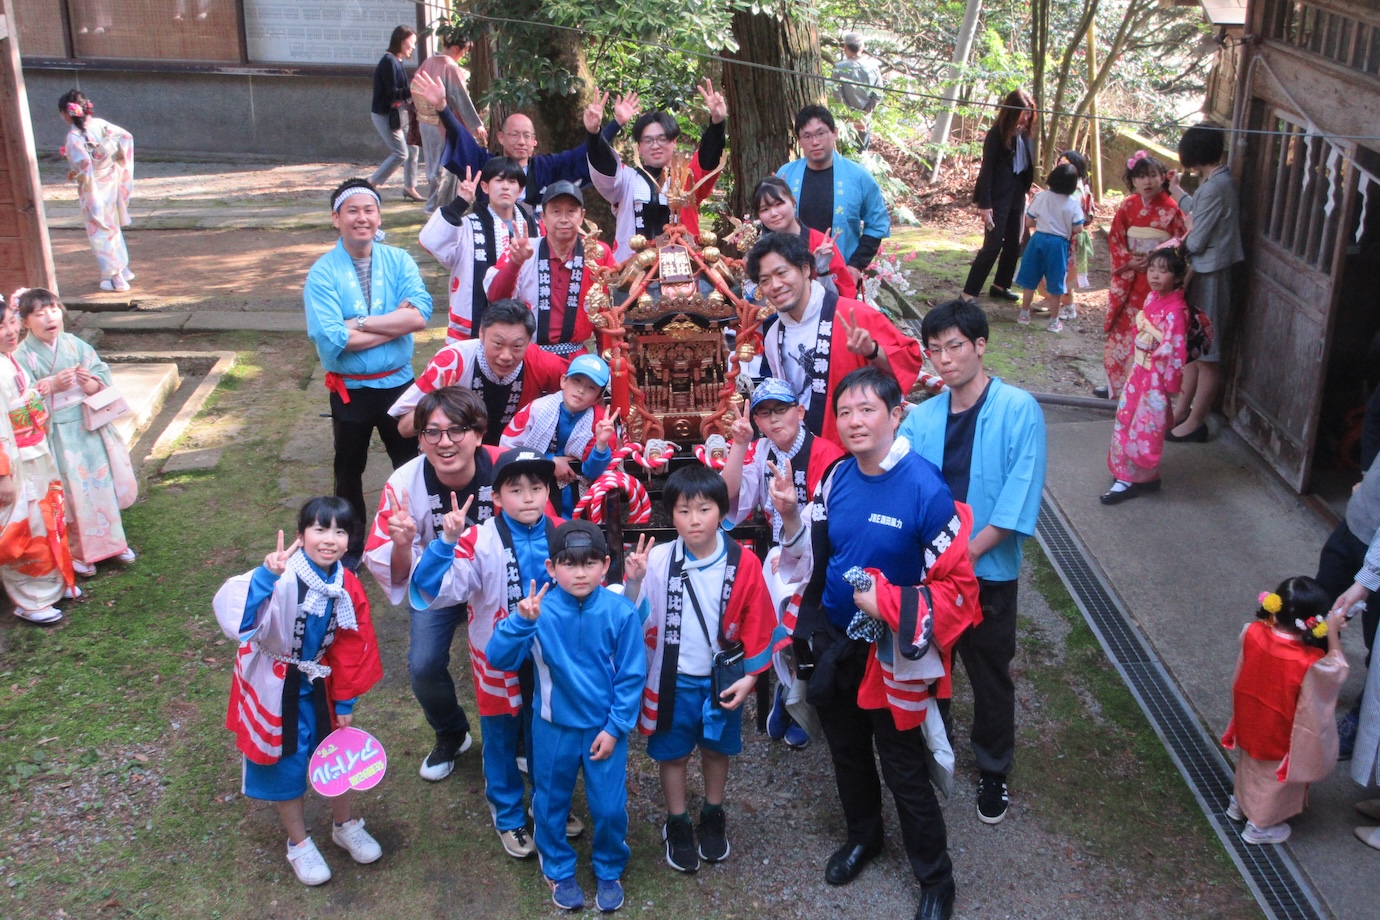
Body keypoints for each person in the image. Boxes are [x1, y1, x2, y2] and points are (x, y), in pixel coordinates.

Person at [775, 367, 980, 920]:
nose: (854, 421)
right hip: (839, 643)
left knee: (904, 766)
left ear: (896, 415)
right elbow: (817, 561)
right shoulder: (835, 476)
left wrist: (887, 603)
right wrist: (810, 626)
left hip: (893, 654)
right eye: (844, 412)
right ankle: (865, 837)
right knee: (845, 753)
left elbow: (961, 592)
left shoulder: (926, 489)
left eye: (868, 410)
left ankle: (936, 879)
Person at [898, 299, 1046, 826]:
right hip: (934, 574)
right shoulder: (926, 416)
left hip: (984, 573)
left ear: (980, 346)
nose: (944, 360)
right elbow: (901, 481)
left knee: (989, 672)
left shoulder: (1018, 408)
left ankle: (993, 769)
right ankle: (939, 745)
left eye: (955, 347)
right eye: (934, 350)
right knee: (931, 666)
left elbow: (1017, 496)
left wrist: (966, 552)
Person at [212, 497, 385, 886]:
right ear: (300, 535)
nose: (330, 539)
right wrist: (264, 577)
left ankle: (345, 824)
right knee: (283, 759)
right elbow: (237, 619)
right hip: (277, 682)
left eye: (340, 531)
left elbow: (351, 643)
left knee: (335, 751)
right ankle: (299, 843)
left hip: (320, 681)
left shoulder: (346, 583)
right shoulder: (283, 575)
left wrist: (345, 699)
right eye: (320, 529)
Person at [621, 466, 777, 873]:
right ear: (669, 515)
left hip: (722, 679)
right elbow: (631, 620)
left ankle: (713, 811)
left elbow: (759, 621)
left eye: (704, 509)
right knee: (672, 755)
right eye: (683, 510)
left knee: (715, 749)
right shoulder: (656, 560)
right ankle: (677, 820)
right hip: (671, 679)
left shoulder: (744, 563)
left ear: (721, 511)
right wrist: (633, 584)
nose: (694, 520)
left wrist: (751, 677)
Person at [487, 520, 646, 913]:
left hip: (603, 730)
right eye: (569, 564)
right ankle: (557, 865)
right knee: (550, 802)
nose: (579, 572)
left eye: (590, 563)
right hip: (552, 726)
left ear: (606, 565)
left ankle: (609, 867)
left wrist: (615, 728)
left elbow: (631, 676)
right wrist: (520, 623)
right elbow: (498, 659)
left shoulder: (620, 611)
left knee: (608, 806)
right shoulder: (536, 610)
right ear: (550, 567)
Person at [409, 447, 561, 857]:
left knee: (546, 733)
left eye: (536, 487)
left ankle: (548, 808)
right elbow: (436, 590)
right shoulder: (477, 540)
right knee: (499, 736)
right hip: (496, 659)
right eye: (515, 489)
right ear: (496, 498)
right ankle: (508, 814)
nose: (528, 497)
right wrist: (446, 541)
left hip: (552, 660)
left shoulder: (563, 533)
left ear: (548, 491)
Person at [363, 387, 503, 780]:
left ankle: (519, 737)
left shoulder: (505, 467)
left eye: (457, 430)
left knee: (516, 655)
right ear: (420, 437)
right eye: (432, 432)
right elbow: (392, 568)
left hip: (495, 580)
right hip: (436, 582)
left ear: (479, 433)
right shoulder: (403, 484)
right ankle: (451, 732)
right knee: (423, 666)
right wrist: (403, 544)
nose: (445, 442)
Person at [304, 179, 431, 564]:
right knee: (348, 469)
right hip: (351, 390)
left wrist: (357, 324)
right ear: (336, 218)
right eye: (352, 211)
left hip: (398, 384)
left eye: (369, 210)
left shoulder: (399, 260)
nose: (362, 218)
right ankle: (350, 546)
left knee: (411, 463)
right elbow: (331, 337)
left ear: (379, 216)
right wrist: (394, 324)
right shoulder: (323, 273)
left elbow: (420, 315)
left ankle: (418, 537)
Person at [722, 377, 846, 749]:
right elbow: (730, 497)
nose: (773, 420)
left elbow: (833, 523)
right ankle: (788, 686)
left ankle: (800, 696)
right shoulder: (762, 451)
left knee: (797, 609)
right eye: (763, 413)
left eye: (780, 410)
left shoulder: (827, 455)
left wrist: (796, 555)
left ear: (800, 411)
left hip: (820, 555)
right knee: (770, 605)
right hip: (778, 553)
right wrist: (740, 443)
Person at [747, 232, 923, 446]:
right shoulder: (774, 332)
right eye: (765, 280)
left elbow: (909, 361)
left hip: (855, 449)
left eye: (782, 273)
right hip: (803, 450)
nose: (775, 285)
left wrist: (873, 351)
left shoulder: (853, 315)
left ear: (805, 269)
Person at [15, 288, 136, 575]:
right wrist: (51, 387)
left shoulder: (75, 345)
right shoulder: (23, 356)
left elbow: (102, 374)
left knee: (100, 483)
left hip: (87, 425)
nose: (49, 318)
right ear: (24, 323)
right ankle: (79, 552)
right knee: (71, 492)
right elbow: (19, 399)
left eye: (54, 310)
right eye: (39, 314)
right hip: (55, 431)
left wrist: (90, 383)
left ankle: (114, 543)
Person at [1221, 579, 1347, 845]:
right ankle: (1258, 826)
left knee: (1250, 763)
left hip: (1251, 715)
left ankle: (1238, 804)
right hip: (1281, 729)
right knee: (1273, 779)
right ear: (1314, 621)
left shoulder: (1252, 632)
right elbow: (1337, 670)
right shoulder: (1309, 661)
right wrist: (1333, 635)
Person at [413, 72, 633, 214]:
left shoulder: (547, 167)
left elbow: (585, 154)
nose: (521, 141)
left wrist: (613, 124)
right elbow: (462, 139)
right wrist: (443, 107)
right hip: (493, 238)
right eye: (514, 135)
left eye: (527, 136)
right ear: (500, 138)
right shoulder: (487, 165)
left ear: (534, 142)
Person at [388, 299, 567, 444]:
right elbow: (404, 428)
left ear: (529, 342)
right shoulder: (452, 363)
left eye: (517, 346)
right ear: (481, 333)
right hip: (455, 455)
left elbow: (586, 389)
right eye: (498, 344)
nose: (506, 356)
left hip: (510, 460)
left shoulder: (540, 361)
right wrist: (438, 402)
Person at [585, 82, 727, 260]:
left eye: (662, 139)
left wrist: (717, 123)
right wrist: (594, 133)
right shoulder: (626, 179)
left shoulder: (687, 178)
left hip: (684, 267)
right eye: (648, 140)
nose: (655, 146)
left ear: (674, 142)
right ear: (639, 146)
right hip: (632, 269)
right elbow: (604, 166)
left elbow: (708, 160)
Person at [0, 292, 74, 624]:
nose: (9, 331)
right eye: (1, 327)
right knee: (23, 528)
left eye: (11, 322)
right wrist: (3, 475)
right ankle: (30, 600)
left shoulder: (11, 358)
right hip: (14, 460)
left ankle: (52, 586)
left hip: (33, 451)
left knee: (47, 517)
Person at [1168, 124, 1245, 441]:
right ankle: (1182, 410)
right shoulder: (1215, 183)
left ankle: (1196, 421)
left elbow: (1197, 239)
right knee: (1193, 348)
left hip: (1210, 273)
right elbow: (1198, 212)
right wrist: (1175, 191)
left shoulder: (1216, 187)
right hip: (1203, 272)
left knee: (1207, 352)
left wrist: (1171, 254)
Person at [485, 181, 618, 357]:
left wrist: (608, 362)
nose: (564, 219)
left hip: (576, 359)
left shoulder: (598, 253)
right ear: (543, 217)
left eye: (571, 211)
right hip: (529, 356)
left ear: (582, 216)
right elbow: (496, 298)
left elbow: (607, 314)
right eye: (556, 211)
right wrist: (516, 263)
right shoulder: (524, 249)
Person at [1100, 247, 1189, 505]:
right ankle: (1140, 476)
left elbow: (1174, 350)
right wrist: (1132, 359)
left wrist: (1168, 384)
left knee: (1144, 426)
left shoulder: (1175, 312)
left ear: (1178, 275)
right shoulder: (1152, 299)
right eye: (1152, 269)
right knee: (1126, 418)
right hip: (1140, 370)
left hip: (1154, 378)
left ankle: (1130, 479)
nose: (1155, 275)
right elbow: (1140, 333)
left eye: (1163, 271)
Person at [419, 156, 539, 342]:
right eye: (498, 180)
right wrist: (460, 202)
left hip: (520, 328)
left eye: (512, 181)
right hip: (471, 327)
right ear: (485, 187)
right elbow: (431, 242)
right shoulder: (467, 225)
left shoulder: (535, 228)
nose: (505, 186)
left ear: (521, 190)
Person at [1098, 152, 1185, 400]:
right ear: (1133, 181)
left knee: (1150, 332)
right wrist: (1128, 260)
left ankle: (1143, 386)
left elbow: (1180, 241)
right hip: (1131, 277)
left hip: (1157, 279)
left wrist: (1158, 260)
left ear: (1162, 179)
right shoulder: (1127, 206)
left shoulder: (1171, 208)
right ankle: (1115, 385)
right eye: (1141, 176)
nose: (1147, 181)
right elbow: (1116, 238)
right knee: (1123, 331)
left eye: (1153, 176)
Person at [776, 105, 890, 284]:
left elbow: (877, 224)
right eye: (807, 136)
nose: (815, 142)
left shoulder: (859, 176)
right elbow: (771, 219)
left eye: (821, 133)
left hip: (840, 272)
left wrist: (856, 265)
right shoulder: (786, 174)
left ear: (834, 133)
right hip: (793, 273)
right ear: (799, 140)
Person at [499, 354, 619, 517]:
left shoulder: (601, 423)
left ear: (598, 397)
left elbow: (592, 472)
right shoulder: (536, 410)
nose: (581, 390)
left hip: (578, 491)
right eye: (576, 381)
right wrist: (549, 461)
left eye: (591, 387)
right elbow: (507, 448)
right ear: (563, 381)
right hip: (534, 482)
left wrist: (601, 444)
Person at [1318, 457, 1380, 755]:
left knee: (1376, 647)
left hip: (1376, 547)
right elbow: (1374, 419)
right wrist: (1369, 471)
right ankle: (1309, 687)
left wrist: (1366, 581)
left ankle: (1362, 719)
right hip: (1357, 523)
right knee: (1320, 608)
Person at [962, 90, 1036, 304]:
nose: (1026, 118)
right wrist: (985, 204)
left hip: (1017, 194)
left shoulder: (1026, 134)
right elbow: (987, 170)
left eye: (1029, 114)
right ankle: (969, 292)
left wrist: (1027, 192)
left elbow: (1026, 166)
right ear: (1011, 111)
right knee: (993, 243)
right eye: (1023, 113)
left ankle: (1000, 285)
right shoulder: (996, 134)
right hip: (997, 196)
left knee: (1015, 241)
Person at [57, 90, 134, 293]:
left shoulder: (74, 137)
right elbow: (126, 137)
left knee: (100, 231)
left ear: (66, 113)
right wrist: (116, 160)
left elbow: (84, 166)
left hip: (92, 186)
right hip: (111, 180)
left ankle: (115, 277)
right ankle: (123, 269)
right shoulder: (101, 125)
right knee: (112, 227)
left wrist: (79, 173)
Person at [412, 26, 485, 213]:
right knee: (442, 165)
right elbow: (461, 98)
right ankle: (435, 206)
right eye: (464, 52)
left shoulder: (427, 62)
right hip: (441, 123)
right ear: (455, 49)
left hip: (424, 121)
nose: (462, 56)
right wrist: (476, 125)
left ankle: (433, 204)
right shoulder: (450, 67)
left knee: (432, 165)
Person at [751, 176, 857, 300]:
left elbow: (844, 297)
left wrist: (822, 270)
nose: (774, 213)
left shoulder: (820, 243)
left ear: (793, 201)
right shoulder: (761, 250)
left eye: (779, 204)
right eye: (765, 209)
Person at [1013, 163, 1084, 325]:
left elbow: (1029, 221)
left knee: (1030, 277)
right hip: (1058, 244)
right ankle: (1054, 321)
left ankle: (1024, 314)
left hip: (1038, 240)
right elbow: (1078, 228)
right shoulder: (1072, 202)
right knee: (1056, 281)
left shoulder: (1041, 196)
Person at [370, 25, 422, 200]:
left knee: (413, 148)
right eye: (411, 43)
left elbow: (401, 92)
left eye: (415, 44)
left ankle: (410, 187)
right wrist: (413, 89)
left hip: (400, 114)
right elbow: (393, 93)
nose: (413, 47)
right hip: (386, 114)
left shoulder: (397, 61)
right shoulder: (389, 61)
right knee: (401, 153)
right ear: (400, 41)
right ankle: (372, 183)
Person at [831, 32, 884, 150]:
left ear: (845, 48)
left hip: (845, 121)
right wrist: (863, 114)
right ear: (862, 48)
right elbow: (878, 95)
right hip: (864, 120)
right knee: (861, 154)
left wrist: (850, 116)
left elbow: (837, 95)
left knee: (844, 153)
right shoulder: (873, 67)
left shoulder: (839, 68)